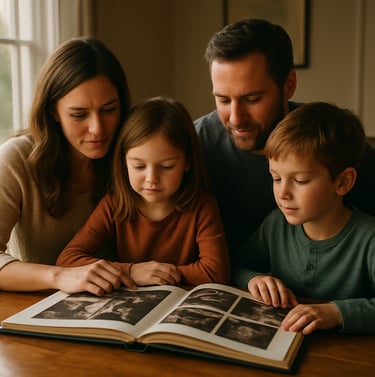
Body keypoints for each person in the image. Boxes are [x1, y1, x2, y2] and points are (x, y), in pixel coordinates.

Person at [194, 18, 375, 252]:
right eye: (223, 100)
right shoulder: (195, 143)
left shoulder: (329, 139)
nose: (236, 118)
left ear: (288, 85)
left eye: (252, 99)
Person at [0, 37, 136, 295]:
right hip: (33, 310)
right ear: (53, 112)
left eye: (109, 110)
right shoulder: (16, 159)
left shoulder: (132, 158)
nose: (97, 129)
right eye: (79, 115)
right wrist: (60, 276)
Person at [56, 97, 230, 287]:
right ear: (124, 162)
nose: (151, 178)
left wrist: (158, 274)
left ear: (187, 162)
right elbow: (68, 260)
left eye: (166, 166)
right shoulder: (114, 204)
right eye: (139, 166)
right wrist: (131, 271)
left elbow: (216, 271)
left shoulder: (202, 205)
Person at [234, 102, 375, 334]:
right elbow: (236, 262)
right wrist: (254, 279)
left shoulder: (368, 238)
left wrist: (336, 313)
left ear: (342, 182)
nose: (283, 193)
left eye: (299, 180)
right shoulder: (276, 225)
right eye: (276, 178)